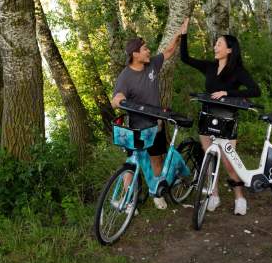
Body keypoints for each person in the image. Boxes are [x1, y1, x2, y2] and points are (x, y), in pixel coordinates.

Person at [180, 17, 261, 215]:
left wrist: (228, 93)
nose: (215, 46)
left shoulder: (237, 71)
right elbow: (185, 58)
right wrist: (183, 34)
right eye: (215, 44)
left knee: (228, 161)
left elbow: (254, 90)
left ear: (230, 50)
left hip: (227, 119)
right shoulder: (209, 67)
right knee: (210, 158)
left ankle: (239, 198)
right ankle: (213, 195)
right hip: (207, 117)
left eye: (219, 44)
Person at [111, 33, 181, 210]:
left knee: (156, 159)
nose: (148, 51)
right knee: (131, 162)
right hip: (137, 127)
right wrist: (119, 100)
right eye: (145, 49)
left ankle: (155, 192)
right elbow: (117, 96)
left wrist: (179, 34)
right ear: (135, 54)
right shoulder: (125, 76)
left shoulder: (152, 65)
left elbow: (169, 51)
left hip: (156, 124)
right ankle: (128, 201)